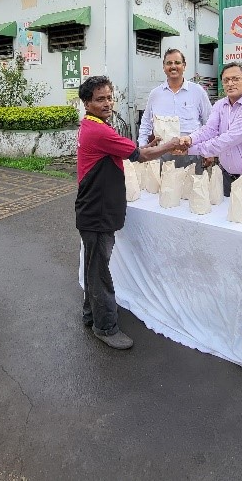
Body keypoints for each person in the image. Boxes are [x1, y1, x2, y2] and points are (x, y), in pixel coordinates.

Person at [76, 75, 181, 350]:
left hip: (94, 207)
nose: (107, 103)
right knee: (99, 272)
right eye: (100, 99)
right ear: (87, 103)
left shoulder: (94, 125)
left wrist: (152, 144)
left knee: (93, 267)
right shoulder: (99, 131)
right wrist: (170, 144)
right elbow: (140, 156)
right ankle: (105, 327)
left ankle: (90, 314)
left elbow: (131, 151)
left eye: (110, 97)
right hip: (97, 211)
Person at [176, 62, 242, 202]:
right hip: (227, 176)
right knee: (226, 214)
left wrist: (190, 150)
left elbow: (228, 140)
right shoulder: (220, 105)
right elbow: (209, 130)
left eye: (235, 79)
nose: (230, 83)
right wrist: (190, 139)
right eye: (226, 80)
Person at [138, 48, 212, 172]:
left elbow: (209, 122)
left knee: (193, 184)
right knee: (163, 184)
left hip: (191, 154)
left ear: (184, 66)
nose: (173, 66)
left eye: (177, 63)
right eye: (169, 63)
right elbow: (146, 124)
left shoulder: (197, 92)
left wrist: (209, 150)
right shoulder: (155, 94)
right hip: (162, 155)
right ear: (164, 67)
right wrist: (142, 148)